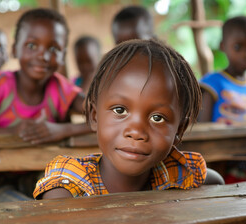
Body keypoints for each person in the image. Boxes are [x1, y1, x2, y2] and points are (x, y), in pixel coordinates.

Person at [33, 39, 207, 199]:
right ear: (94, 117)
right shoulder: (67, 190)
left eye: (157, 118)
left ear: (179, 130)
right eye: (120, 110)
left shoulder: (179, 174)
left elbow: (216, 184)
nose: (136, 132)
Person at [0, 8, 92, 204]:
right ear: (14, 49)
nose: (43, 56)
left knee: (67, 204)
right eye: (32, 45)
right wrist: (13, 131)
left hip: (41, 173)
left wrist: (61, 130)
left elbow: (103, 114)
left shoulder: (61, 88)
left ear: (63, 54)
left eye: (53, 49)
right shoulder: (0, 83)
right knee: (22, 213)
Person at [198, 16, 246, 183]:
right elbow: (202, 127)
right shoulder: (213, 83)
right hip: (218, 158)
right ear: (223, 46)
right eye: (238, 47)